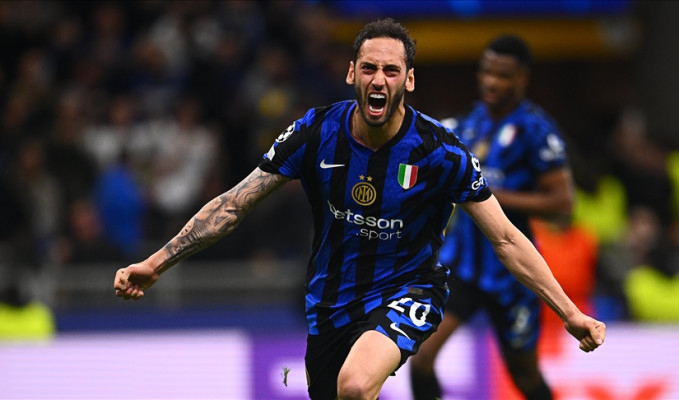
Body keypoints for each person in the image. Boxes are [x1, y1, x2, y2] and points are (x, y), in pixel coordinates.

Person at [113, 20, 605, 400]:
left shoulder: (440, 151)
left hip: (410, 289)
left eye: (391, 70)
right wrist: (156, 262)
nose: (379, 79)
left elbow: (507, 238)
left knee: (354, 385)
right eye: (369, 68)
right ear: (352, 73)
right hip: (332, 300)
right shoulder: (315, 131)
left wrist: (569, 313)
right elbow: (235, 203)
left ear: (409, 80)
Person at [409, 35, 576, 400]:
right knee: (420, 358)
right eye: (486, 72)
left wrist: (488, 196)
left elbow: (563, 203)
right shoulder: (470, 121)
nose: (490, 82)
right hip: (461, 268)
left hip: (512, 274)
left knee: (524, 375)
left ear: (521, 79)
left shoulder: (535, 130)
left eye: (502, 75)